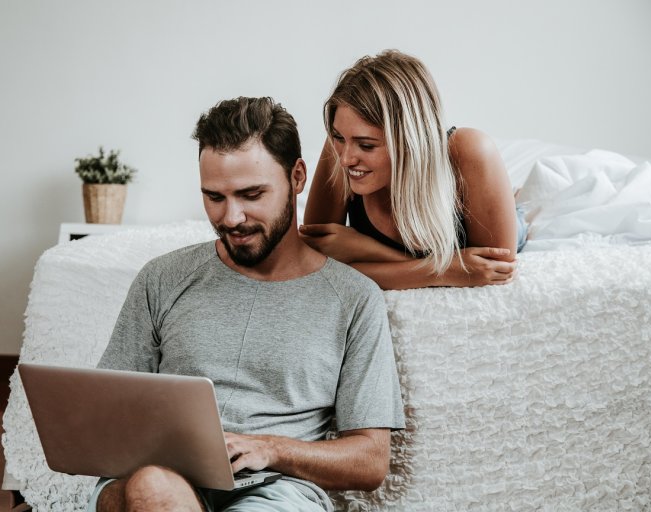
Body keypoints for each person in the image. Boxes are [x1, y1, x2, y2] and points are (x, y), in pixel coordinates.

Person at [88, 97, 405, 512]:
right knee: (151, 487)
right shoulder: (163, 278)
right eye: (214, 197)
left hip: (276, 490)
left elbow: (370, 460)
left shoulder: (353, 298)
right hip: (158, 479)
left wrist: (269, 449)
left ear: (297, 177)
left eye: (251, 194)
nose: (232, 218)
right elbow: (105, 411)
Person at [299, 50, 528, 290]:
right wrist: (446, 270)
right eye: (338, 137)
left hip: (489, 214)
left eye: (366, 145)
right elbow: (314, 265)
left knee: (518, 219)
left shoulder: (470, 150)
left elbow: (493, 269)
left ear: (410, 140)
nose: (345, 159)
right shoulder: (342, 146)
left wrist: (365, 249)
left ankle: (513, 197)